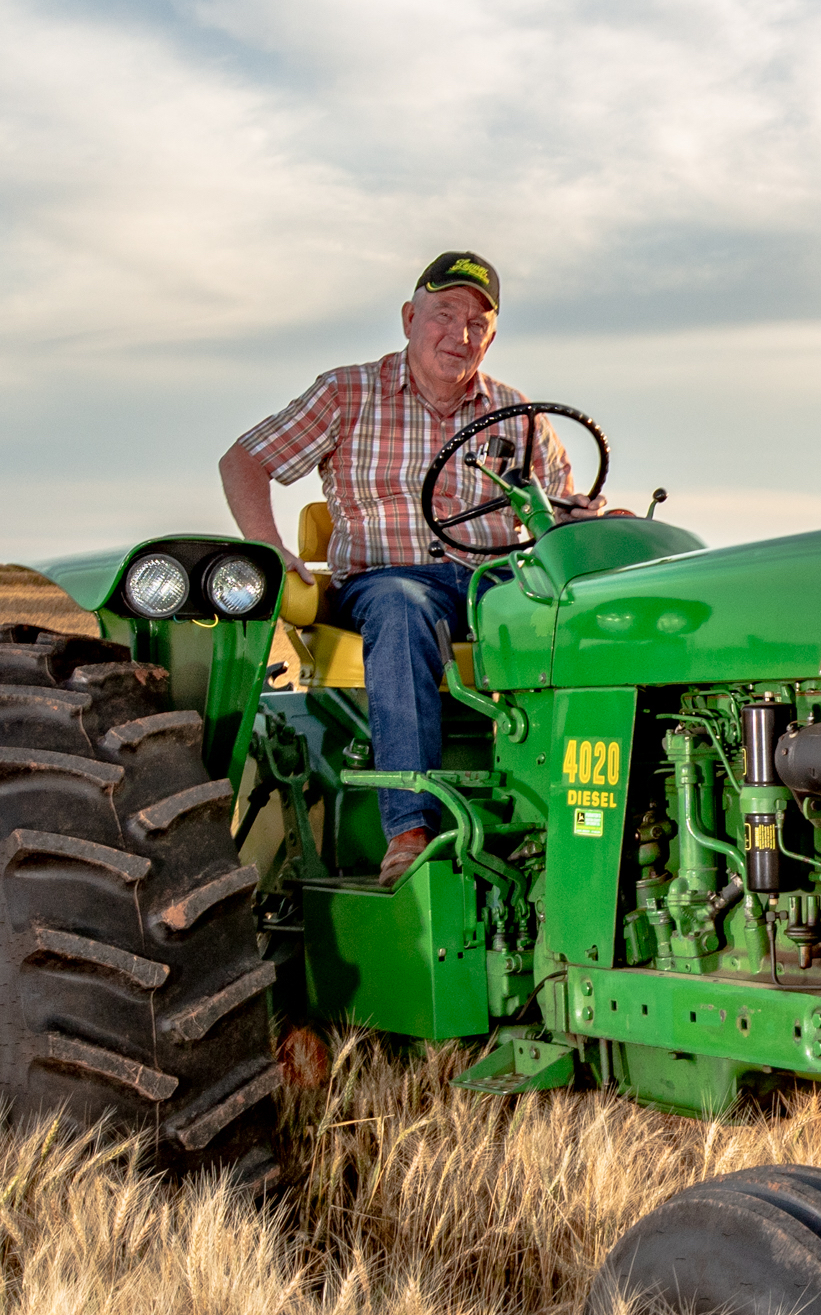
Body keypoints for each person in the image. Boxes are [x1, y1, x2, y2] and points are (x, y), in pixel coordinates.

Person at [219, 251, 588, 867]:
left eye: (477, 323)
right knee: (401, 606)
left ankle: (570, 822)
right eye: (445, 313)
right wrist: (271, 545)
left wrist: (599, 519)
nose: (460, 334)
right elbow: (245, 460)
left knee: (571, 618)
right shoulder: (347, 392)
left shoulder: (516, 414)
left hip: (493, 582)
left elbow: (560, 508)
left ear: (491, 338)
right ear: (409, 318)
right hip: (384, 581)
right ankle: (409, 829)